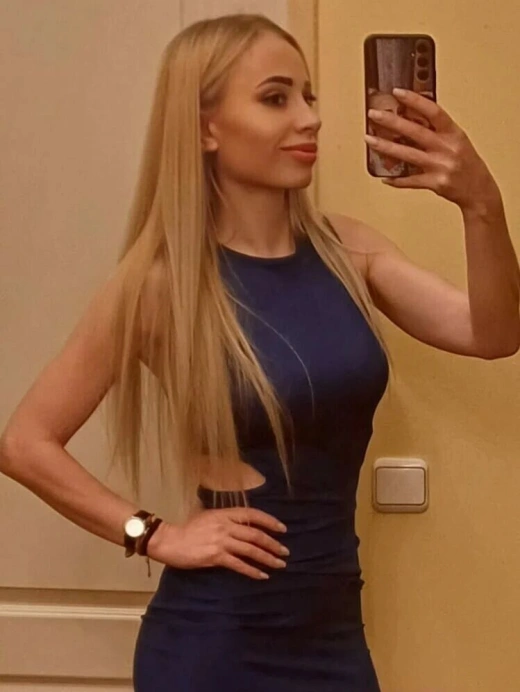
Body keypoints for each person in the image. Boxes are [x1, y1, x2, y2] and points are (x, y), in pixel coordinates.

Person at [1, 12, 518, 692]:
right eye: (276, 98)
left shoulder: (349, 251)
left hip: (334, 634)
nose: (309, 118)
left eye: (308, 95)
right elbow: (25, 443)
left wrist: (481, 204)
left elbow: (492, 334)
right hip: (215, 641)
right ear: (205, 128)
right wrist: (153, 534)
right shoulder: (161, 285)